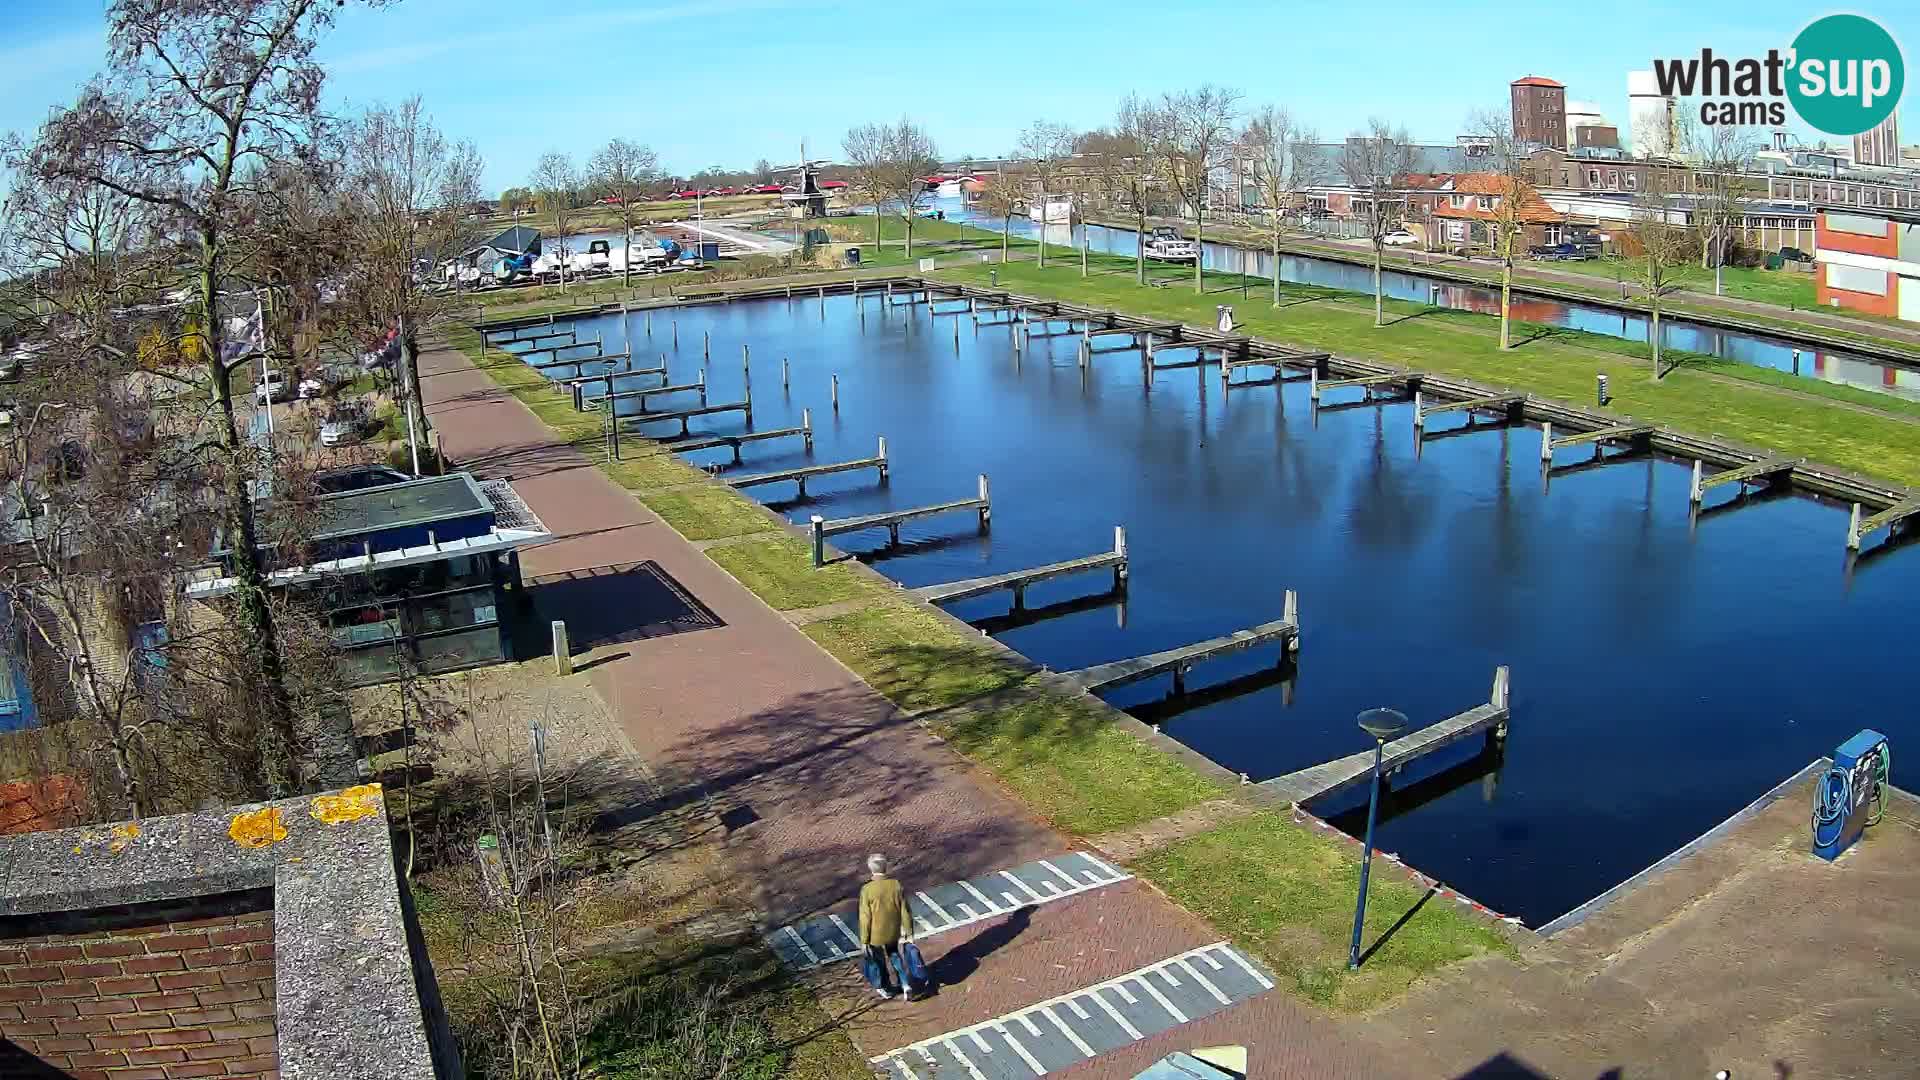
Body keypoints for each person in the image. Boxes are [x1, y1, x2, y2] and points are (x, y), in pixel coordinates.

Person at [858, 853, 919, 1000]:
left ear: (870, 869)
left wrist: (864, 939)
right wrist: (909, 931)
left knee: (878, 962)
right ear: (885, 867)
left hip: (875, 934)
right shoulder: (896, 885)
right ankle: (905, 984)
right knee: (895, 956)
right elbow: (905, 910)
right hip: (892, 931)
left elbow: (865, 917)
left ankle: (886, 988)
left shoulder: (867, 890)